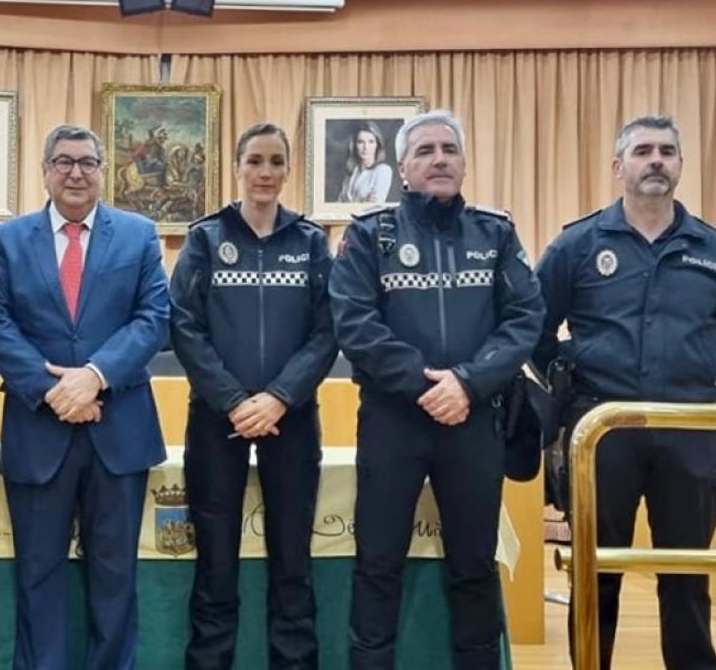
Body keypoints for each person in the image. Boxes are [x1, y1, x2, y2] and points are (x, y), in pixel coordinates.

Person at [328, 110, 544, 670]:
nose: (439, 158)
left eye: (449, 149)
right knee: (377, 565)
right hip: (393, 423)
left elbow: (524, 318)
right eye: (424, 150)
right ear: (403, 167)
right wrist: (428, 386)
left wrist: (467, 384)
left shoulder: (496, 233)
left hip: (475, 422)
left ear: (465, 163)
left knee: (473, 566)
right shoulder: (369, 235)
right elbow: (354, 323)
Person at [0, 124, 169, 670]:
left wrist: (96, 376)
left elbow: (154, 318)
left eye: (87, 162)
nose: (76, 172)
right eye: (63, 162)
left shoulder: (138, 235)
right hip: (40, 431)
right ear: (45, 171)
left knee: (115, 579)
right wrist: (54, 388)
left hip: (119, 431)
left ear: (104, 170)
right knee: (37, 576)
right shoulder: (7, 241)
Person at [532, 115, 716, 670]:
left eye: (666, 151)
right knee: (596, 570)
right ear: (619, 167)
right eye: (642, 151)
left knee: (686, 573)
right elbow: (532, 326)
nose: (655, 159)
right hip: (601, 434)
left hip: (691, 433)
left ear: (681, 165)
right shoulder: (578, 244)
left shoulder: (708, 247)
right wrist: (571, 370)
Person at [170, 122, 338, 670]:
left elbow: (327, 331)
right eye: (255, 161)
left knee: (292, 562)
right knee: (216, 564)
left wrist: (280, 398)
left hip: (291, 420)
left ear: (288, 170)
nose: (265, 172)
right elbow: (184, 327)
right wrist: (235, 401)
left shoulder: (312, 241)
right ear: (237, 167)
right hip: (218, 420)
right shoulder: (204, 238)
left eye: (275, 162)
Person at [337, 121, 393, 204]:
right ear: (354, 145)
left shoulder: (383, 171)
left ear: (377, 145)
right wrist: (362, 202)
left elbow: (374, 208)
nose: (365, 147)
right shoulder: (352, 172)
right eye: (361, 142)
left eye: (371, 142)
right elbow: (338, 204)